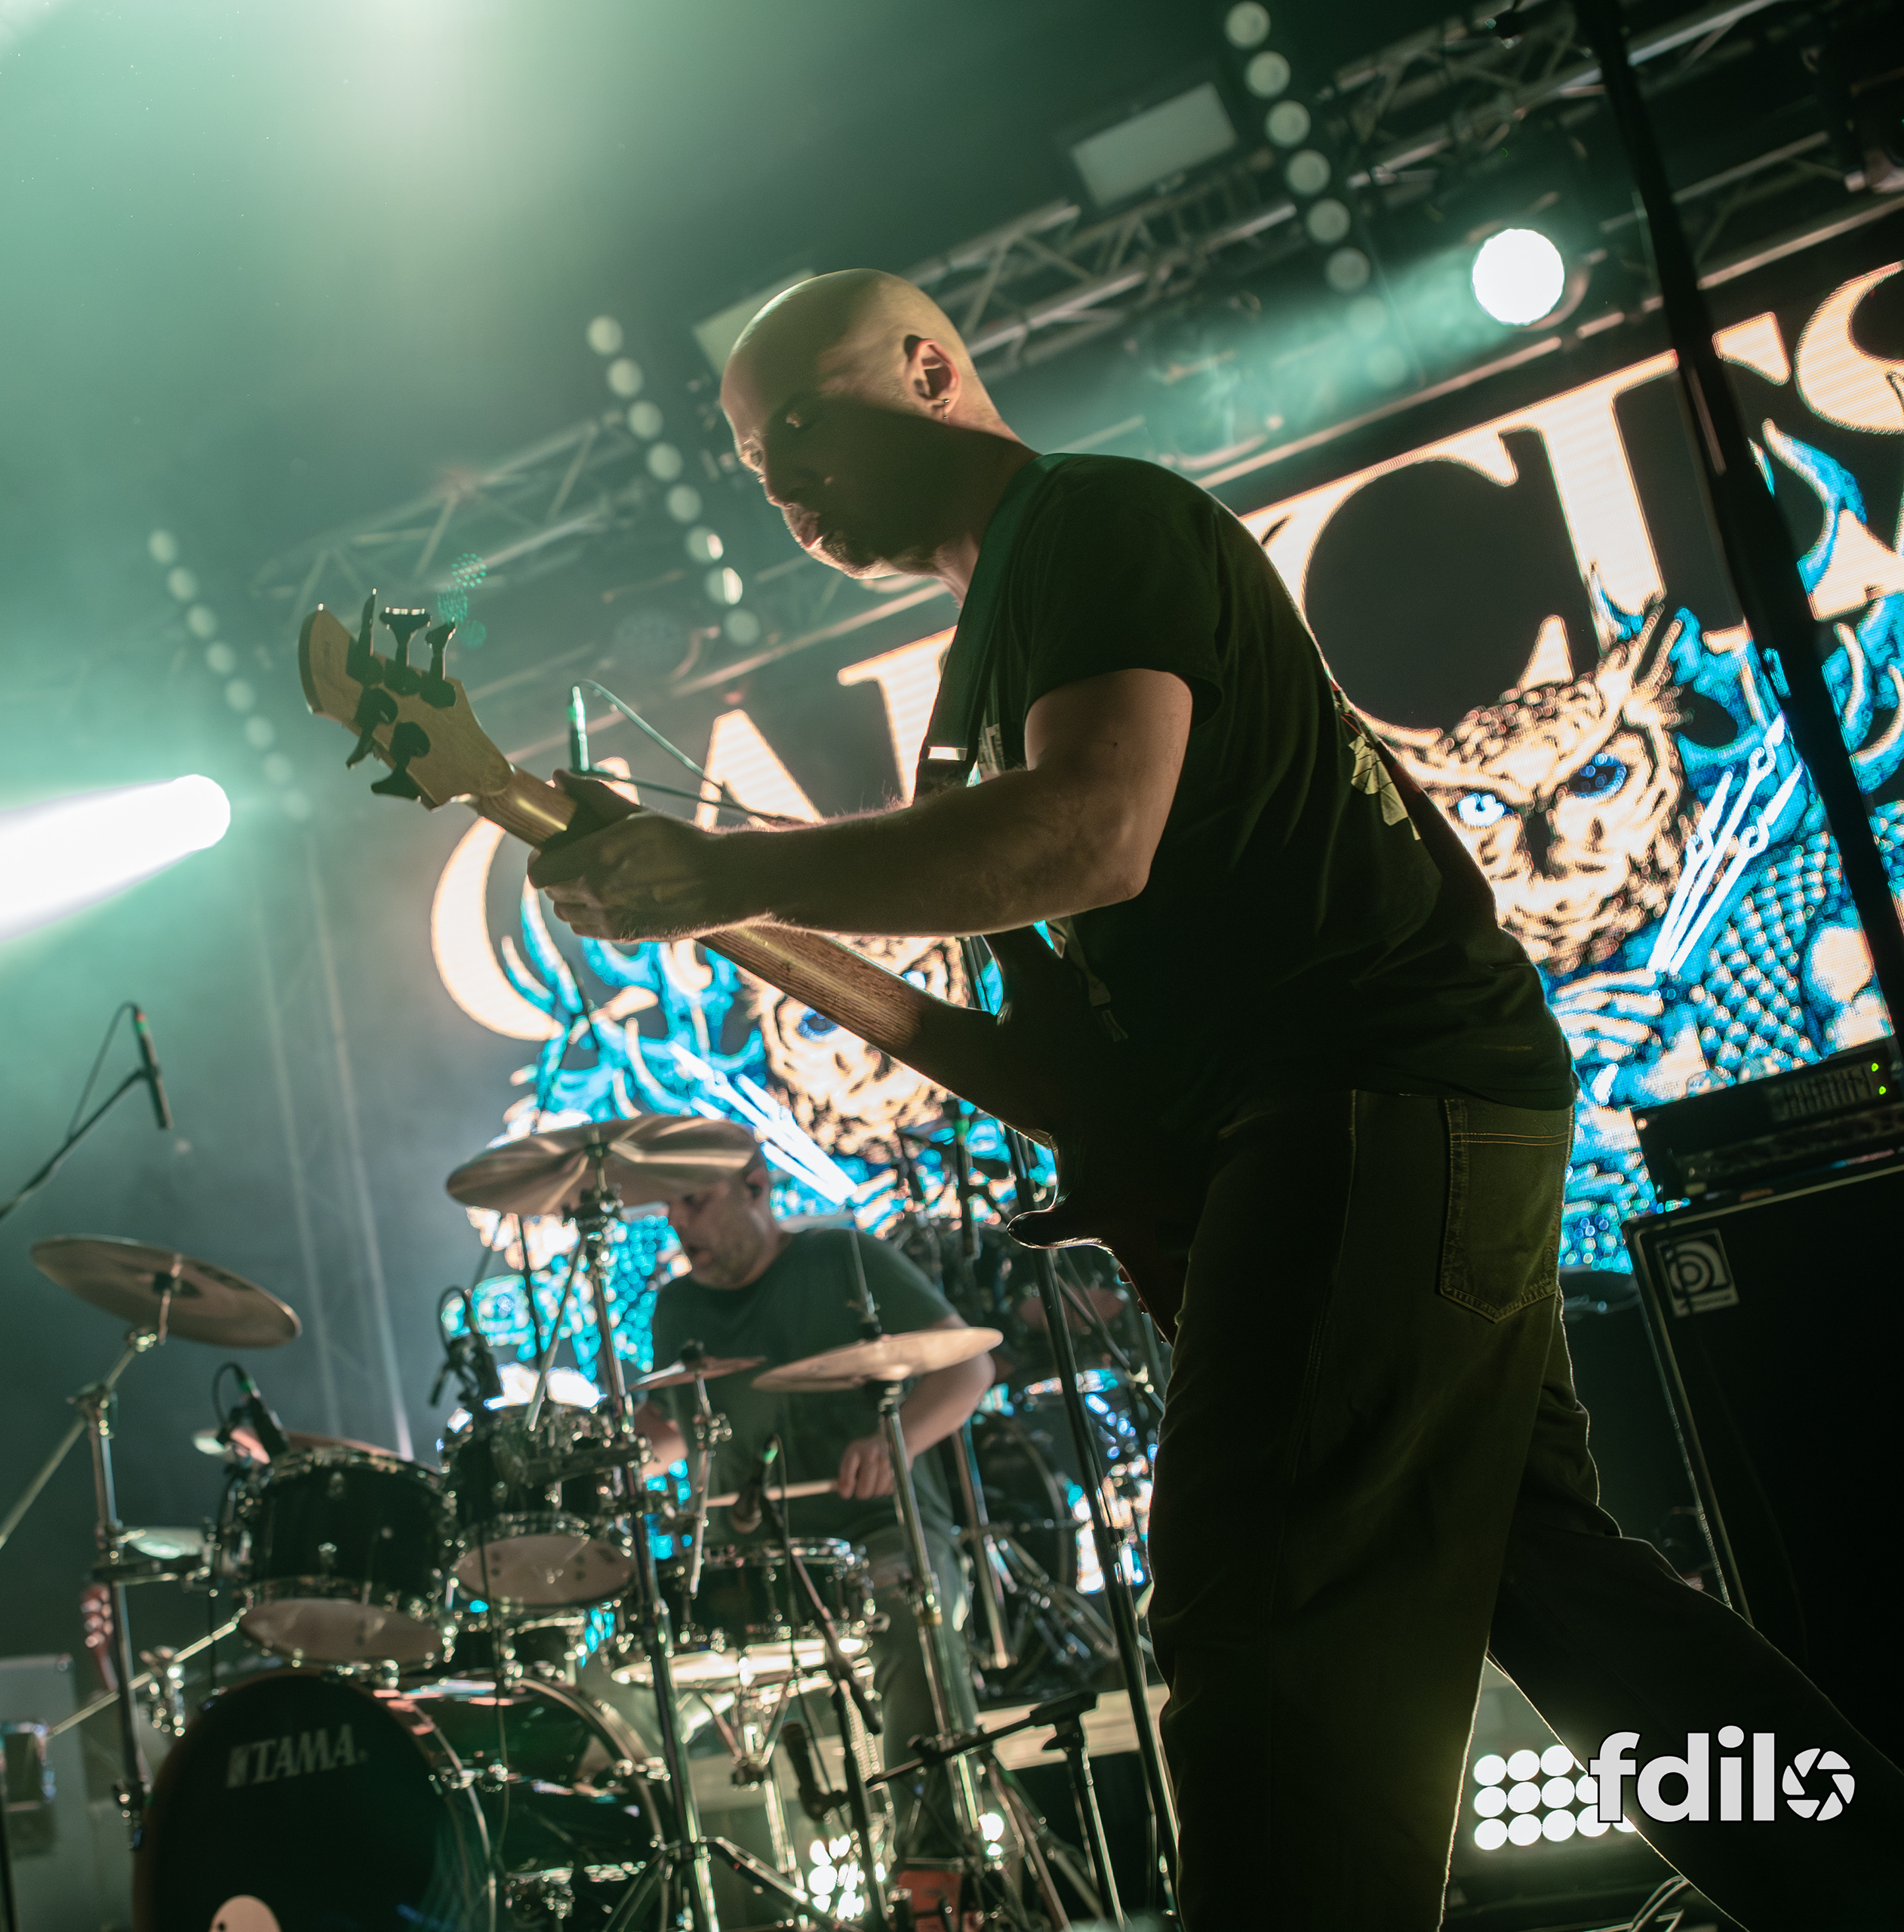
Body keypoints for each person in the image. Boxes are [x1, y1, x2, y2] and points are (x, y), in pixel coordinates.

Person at [528, 269, 1898, 1928]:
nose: (783, 481)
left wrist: (726, 867)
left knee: (1258, 1599)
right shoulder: (994, 650)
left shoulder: (1091, 524)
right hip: (1407, 1106)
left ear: (930, 366)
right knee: (1557, 1588)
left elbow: (1094, 830)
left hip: (1366, 1094)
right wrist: (719, 911)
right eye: (758, 465)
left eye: (802, 422)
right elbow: (1064, 1063)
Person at [632, 1137, 995, 1861]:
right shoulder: (676, 1308)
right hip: (750, 1568)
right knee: (628, 1679)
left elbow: (969, 1369)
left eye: (694, 1201)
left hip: (880, 1535)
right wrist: (597, 1461)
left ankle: (937, 1867)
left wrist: (895, 1442)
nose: (677, 1221)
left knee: (908, 1618)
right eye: (669, 1205)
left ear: (755, 1185)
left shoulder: (843, 1259)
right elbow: (671, 1436)